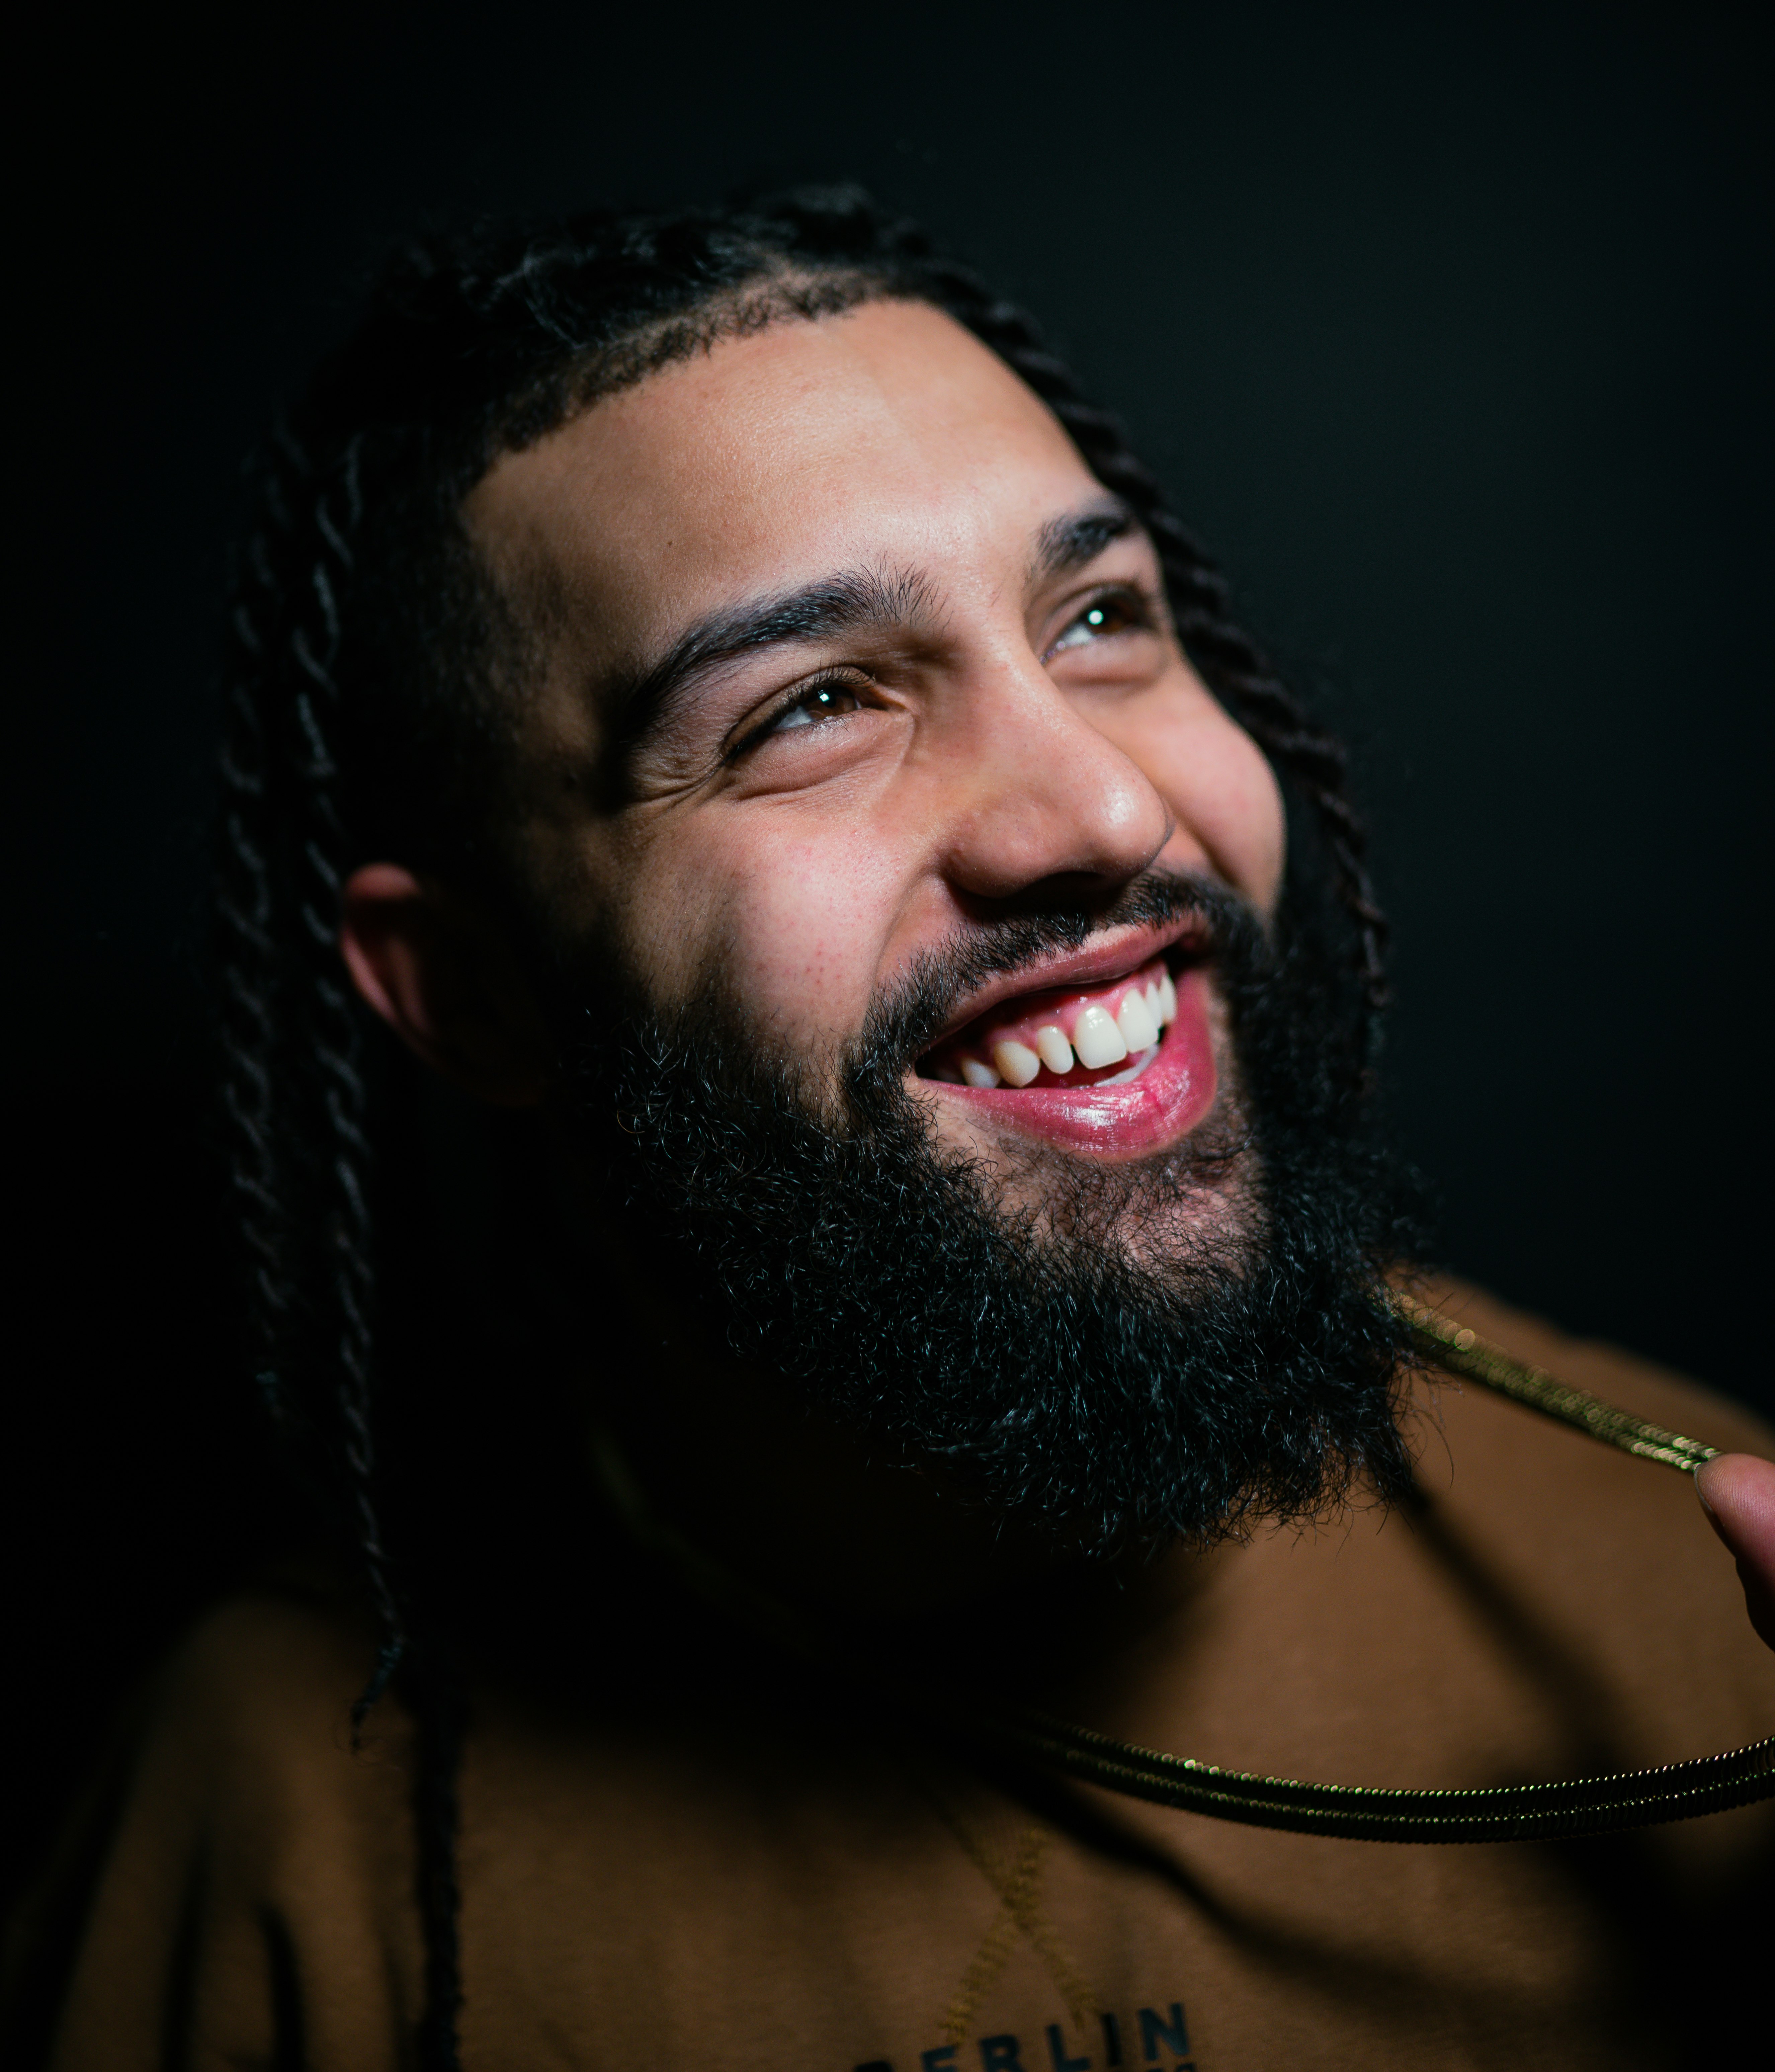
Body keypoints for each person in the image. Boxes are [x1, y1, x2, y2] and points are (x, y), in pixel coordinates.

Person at [9, 188, 1773, 2071]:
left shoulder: (1697, 1626)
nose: (1096, 802)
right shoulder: (286, 1831)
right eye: (814, 706)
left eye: (1097, 618)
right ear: (475, 990)